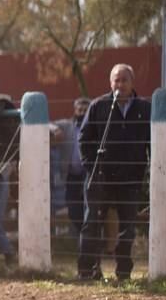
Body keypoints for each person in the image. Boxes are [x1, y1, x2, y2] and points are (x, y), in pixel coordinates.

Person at [76, 64, 151, 281]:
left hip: (130, 179)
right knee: (92, 224)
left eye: (124, 80)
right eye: (116, 81)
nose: (120, 85)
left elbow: (151, 142)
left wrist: (146, 170)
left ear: (132, 82)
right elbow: (84, 139)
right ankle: (87, 270)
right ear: (111, 83)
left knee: (127, 226)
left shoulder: (144, 109)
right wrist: (92, 167)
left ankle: (124, 271)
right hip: (100, 177)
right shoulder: (99, 106)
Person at [59, 98, 91, 236]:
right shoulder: (67, 126)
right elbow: (47, 124)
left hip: (88, 173)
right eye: (80, 110)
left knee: (89, 207)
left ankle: (90, 241)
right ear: (75, 111)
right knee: (73, 209)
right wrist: (55, 130)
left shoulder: (94, 128)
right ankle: (81, 238)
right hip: (71, 175)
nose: (82, 113)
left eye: (85, 110)